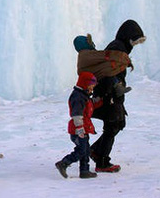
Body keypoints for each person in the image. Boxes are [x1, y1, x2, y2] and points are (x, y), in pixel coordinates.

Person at [86, 20, 145, 172]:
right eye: (135, 40)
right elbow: (108, 72)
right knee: (113, 125)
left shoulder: (119, 47)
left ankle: (97, 153)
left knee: (116, 125)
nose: (135, 45)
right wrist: (115, 87)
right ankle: (101, 160)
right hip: (109, 94)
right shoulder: (117, 47)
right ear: (128, 37)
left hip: (110, 93)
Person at [55, 72, 101, 179]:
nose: (93, 87)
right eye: (91, 84)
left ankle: (84, 171)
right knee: (81, 150)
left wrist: (99, 100)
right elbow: (77, 114)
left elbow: (90, 104)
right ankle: (63, 163)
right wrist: (80, 129)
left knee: (85, 150)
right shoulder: (78, 96)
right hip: (78, 130)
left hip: (84, 128)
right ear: (85, 83)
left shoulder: (84, 95)